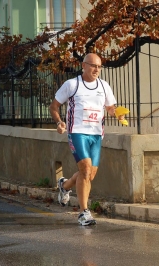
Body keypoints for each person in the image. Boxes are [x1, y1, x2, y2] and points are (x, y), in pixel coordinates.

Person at [49, 53, 124, 226]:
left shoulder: (104, 86)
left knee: (90, 174)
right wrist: (60, 122)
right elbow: (54, 106)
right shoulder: (72, 85)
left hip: (96, 134)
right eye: (93, 66)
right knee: (85, 169)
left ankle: (65, 186)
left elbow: (110, 107)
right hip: (77, 132)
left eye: (99, 66)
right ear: (83, 66)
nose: (96, 69)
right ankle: (84, 213)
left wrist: (118, 114)